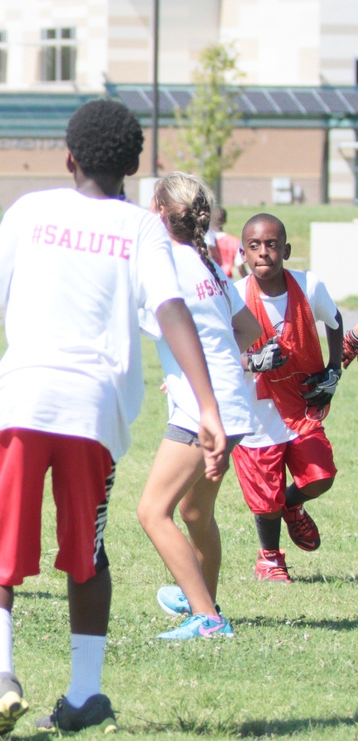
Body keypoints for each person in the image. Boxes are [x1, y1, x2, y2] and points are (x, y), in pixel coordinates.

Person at [0, 100, 227, 739]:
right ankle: (83, 694)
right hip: (96, 412)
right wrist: (206, 406)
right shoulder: (142, 229)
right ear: (135, 165)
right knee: (86, 554)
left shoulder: (31, 210)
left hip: (21, 401)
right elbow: (173, 310)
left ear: (68, 158)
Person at [136, 173, 260, 639]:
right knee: (194, 514)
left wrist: (192, 376)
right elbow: (246, 330)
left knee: (152, 511)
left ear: (160, 213)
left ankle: (206, 618)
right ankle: (202, 599)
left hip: (202, 411)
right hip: (232, 406)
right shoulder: (205, 263)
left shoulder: (163, 261)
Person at [230, 213, 343, 582]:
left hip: (298, 406)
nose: (264, 253)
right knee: (265, 498)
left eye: (272, 244)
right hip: (256, 411)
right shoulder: (233, 295)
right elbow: (217, 350)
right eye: (254, 246)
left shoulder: (309, 286)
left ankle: (292, 507)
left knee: (320, 476)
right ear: (243, 253)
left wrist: (334, 369)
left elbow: (336, 320)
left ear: (286, 250)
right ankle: (270, 559)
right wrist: (251, 360)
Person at [207, 205, 248, 279]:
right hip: (227, 280)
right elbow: (240, 267)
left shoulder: (205, 239)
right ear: (225, 221)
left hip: (211, 279)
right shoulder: (234, 241)